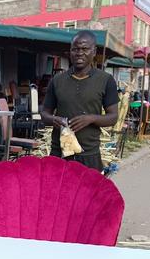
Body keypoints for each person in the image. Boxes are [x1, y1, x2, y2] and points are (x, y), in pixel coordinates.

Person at [41, 30, 119, 170]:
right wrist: (53, 119)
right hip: (59, 153)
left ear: (94, 52)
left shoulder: (106, 80)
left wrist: (91, 119)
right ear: (70, 52)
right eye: (75, 49)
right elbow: (44, 113)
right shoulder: (57, 80)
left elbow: (113, 117)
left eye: (85, 49)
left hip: (89, 155)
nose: (79, 53)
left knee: (89, 186)